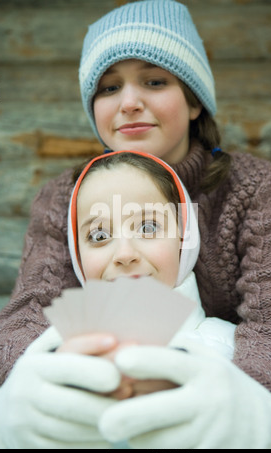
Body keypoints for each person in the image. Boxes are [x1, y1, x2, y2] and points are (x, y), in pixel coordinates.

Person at [0, 0, 271, 449]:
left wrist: (238, 411)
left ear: (194, 101)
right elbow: (27, 316)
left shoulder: (257, 190)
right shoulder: (63, 197)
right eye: (109, 88)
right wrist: (38, 390)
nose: (130, 102)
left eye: (154, 81)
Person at [63, 150, 236, 399]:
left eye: (148, 227)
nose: (125, 253)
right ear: (77, 253)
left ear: (184, 236)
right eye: (99, 236)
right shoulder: (54, 356)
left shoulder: (237, 351)